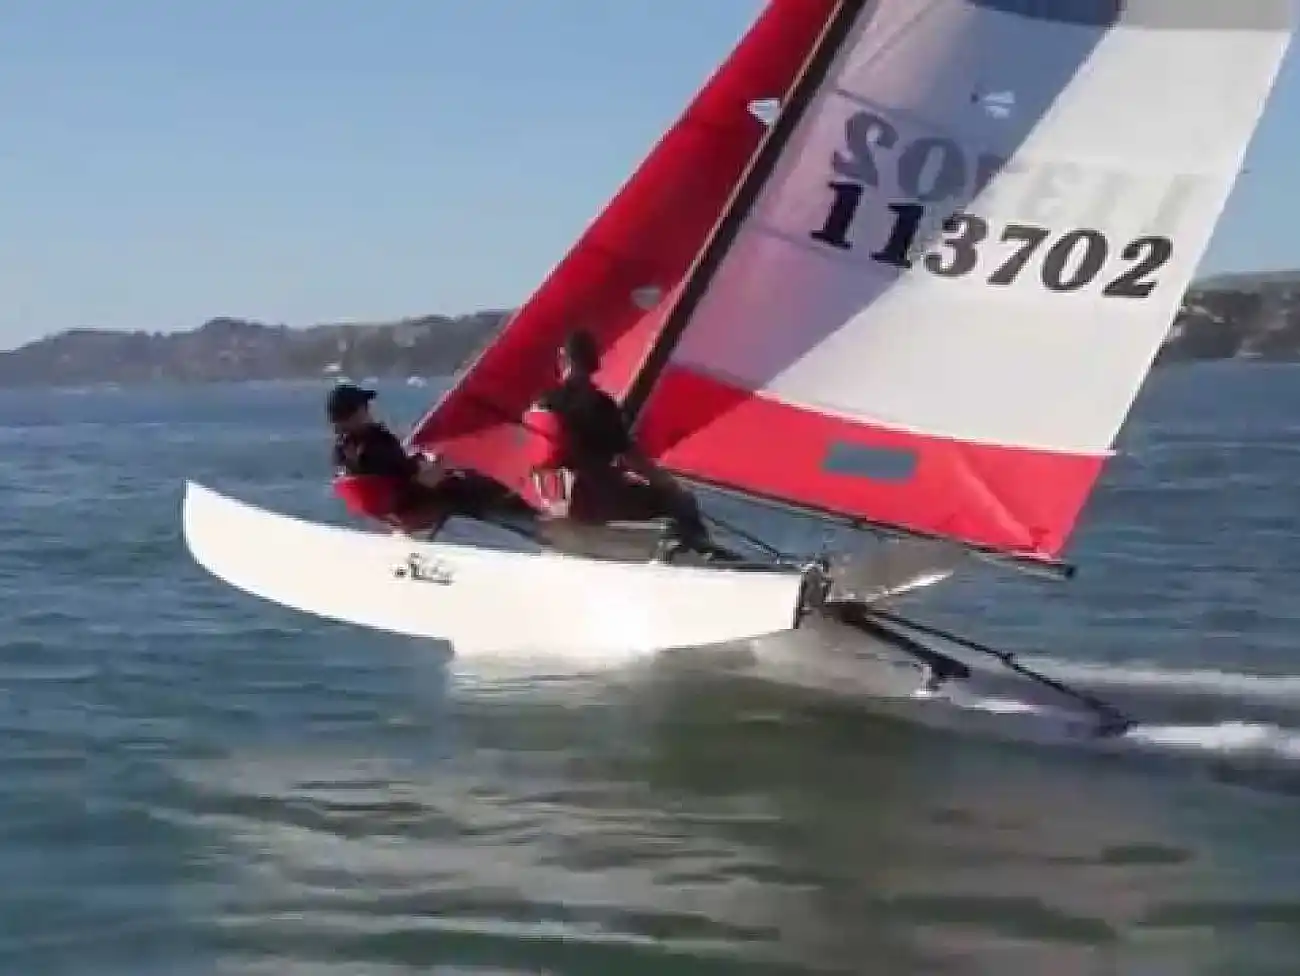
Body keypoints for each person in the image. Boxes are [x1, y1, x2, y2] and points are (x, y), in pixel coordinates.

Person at [526, 330, 722, 554]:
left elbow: (536, 454)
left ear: (564, 358)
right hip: (596, 500)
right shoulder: (601, 405)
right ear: (594, 363)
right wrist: (668, 484)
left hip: (555, 500)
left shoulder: (542, 402)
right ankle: (702, 553)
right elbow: (633, 459)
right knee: (679, 501)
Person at [327, 383, 529, 535]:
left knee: (465, 481)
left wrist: (418, 462)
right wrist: (439, 466)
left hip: (396, 504)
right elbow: (419, 479)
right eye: (364, 408)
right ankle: (535, 526)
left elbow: (395, 471)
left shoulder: (342, 452)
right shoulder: (375, 445)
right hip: (415, 502)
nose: (369, 411)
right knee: (478, 485)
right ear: (354, 414)